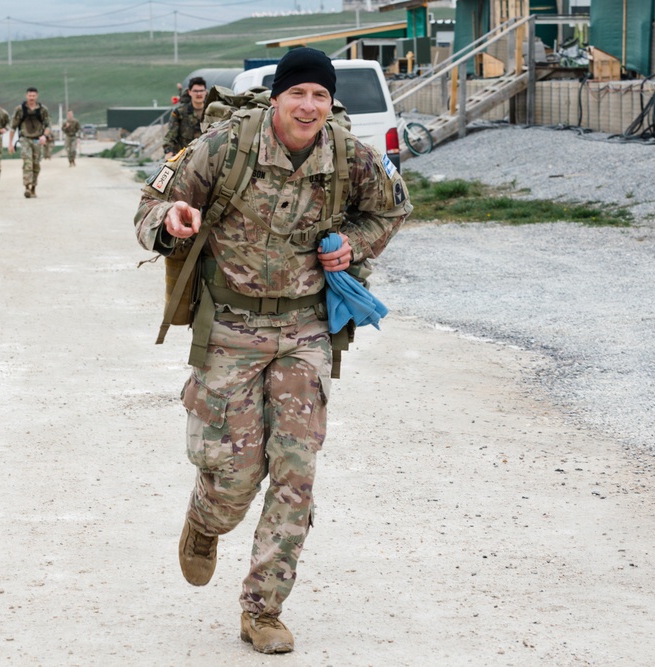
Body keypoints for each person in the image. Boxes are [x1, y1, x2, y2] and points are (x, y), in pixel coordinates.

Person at [134, 48, 411, 655]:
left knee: (295, 473)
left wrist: (353, 247)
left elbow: (392, 208)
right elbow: (148, 208)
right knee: (234, 474)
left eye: (319, 95)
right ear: (277, 98)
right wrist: (172, 218)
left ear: (329, 101)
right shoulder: (224, 147)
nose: (308, 105)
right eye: (297, 94)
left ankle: (262, 609)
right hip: (230, 327)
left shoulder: (350, 155)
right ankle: (206, 522)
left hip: (305, 330)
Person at [8, 87, 51, 199]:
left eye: (33, 96)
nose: (31, 98)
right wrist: (10, 143)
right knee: (28, 162)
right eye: (29, 95)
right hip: (25, 139)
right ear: (26, 96)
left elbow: (48, 126)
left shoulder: (42, 110)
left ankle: (33, 188)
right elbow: (13, 127)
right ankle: (27, 187)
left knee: (36, 164)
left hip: (37, 139)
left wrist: (44, 136)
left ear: (37, 96)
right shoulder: (20, 109)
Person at [162, 76, 207, 159]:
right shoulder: (180, 112)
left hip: (206, 158)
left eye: (201, 91)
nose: (199, 94)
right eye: (195, 91)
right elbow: (170, 136)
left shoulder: (212, 111)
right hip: (185, 158)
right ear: (189, 92)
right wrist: (169, 152)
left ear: (206, 92)